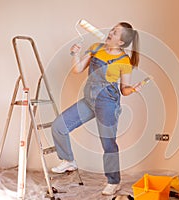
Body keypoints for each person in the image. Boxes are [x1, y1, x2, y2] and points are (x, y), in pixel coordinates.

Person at [51, 22, 142, 196]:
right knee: (59, 126)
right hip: (89, 101)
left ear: (121, 42)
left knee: (108, 144)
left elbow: (124, 89)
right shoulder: (96, 48)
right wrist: (75, 53)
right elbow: (77, 69)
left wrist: (134, 89)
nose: (110, 32)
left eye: (115, 33)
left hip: (107, 104)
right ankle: (69, 160)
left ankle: (113, 181)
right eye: (112, 30)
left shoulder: (124, 61)